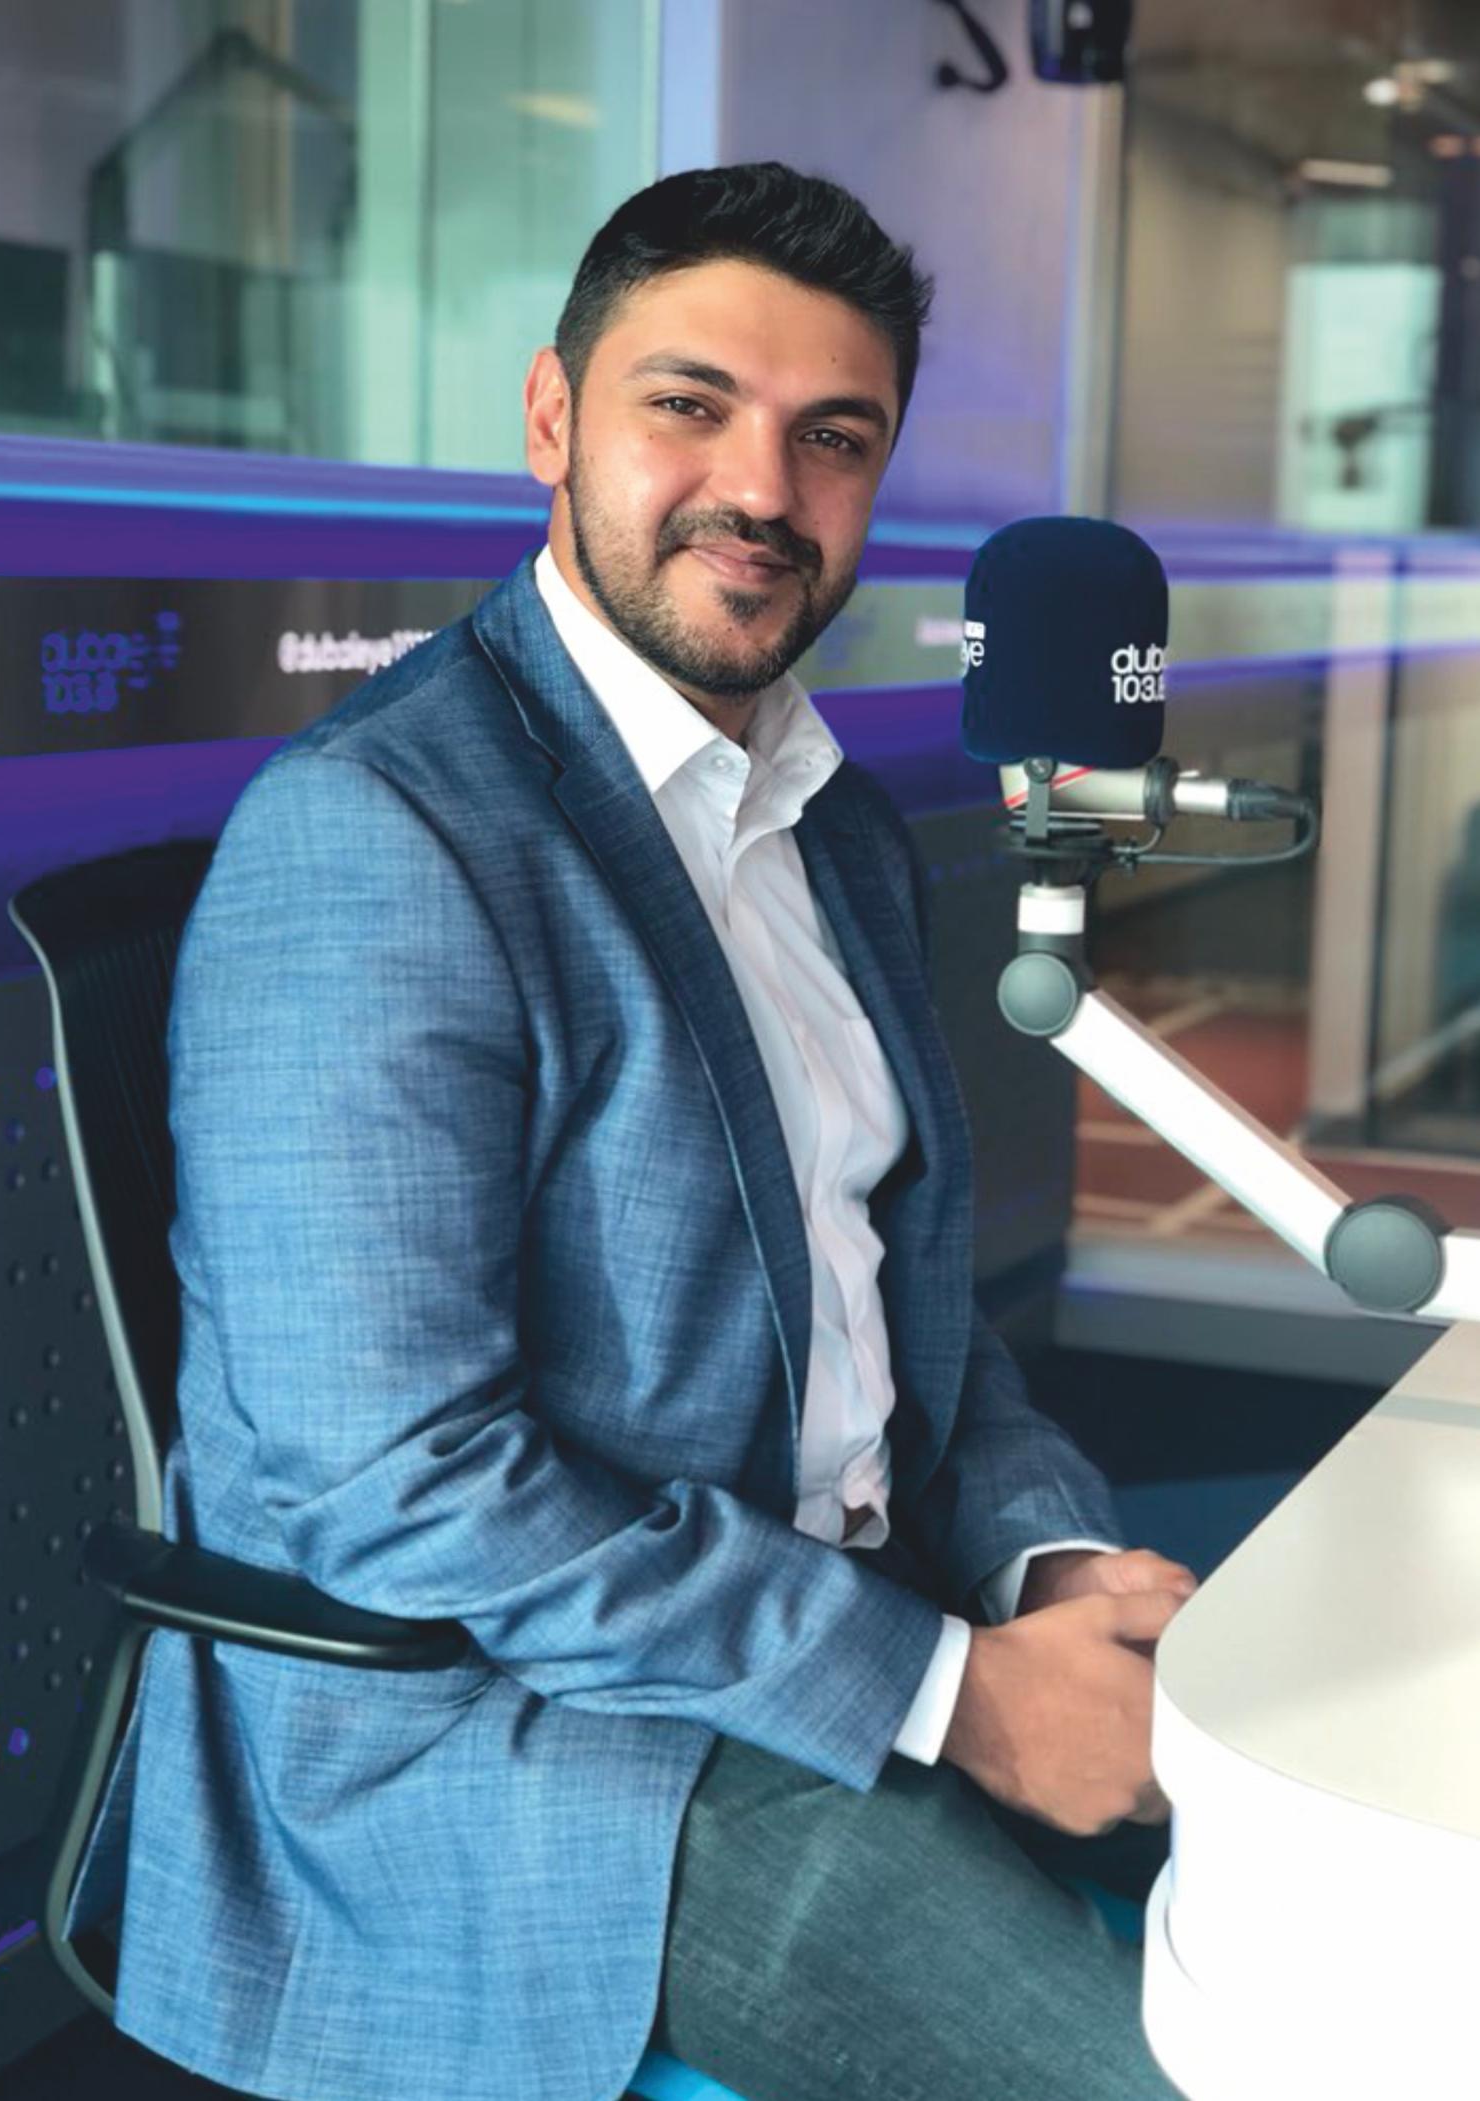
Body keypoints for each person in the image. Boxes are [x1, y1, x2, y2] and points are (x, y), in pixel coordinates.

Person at [77, 162, 1193, 2101]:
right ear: (551, 418)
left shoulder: (832, 825)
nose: (761, 488)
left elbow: (897, 1300)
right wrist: (956, 1696)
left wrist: (1047, 1565)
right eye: (690, 403)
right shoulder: (381, 836)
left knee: (1365, 1928)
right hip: (523, 1749)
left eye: (831, 436)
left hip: (822, 1629)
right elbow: (396, 1487)